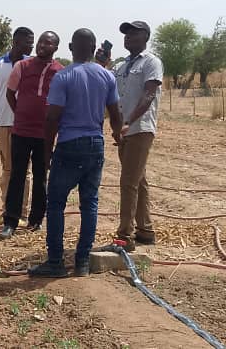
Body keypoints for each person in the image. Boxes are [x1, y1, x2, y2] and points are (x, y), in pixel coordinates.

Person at [29, 28, 123, 278]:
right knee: (89, 203)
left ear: (70, 48)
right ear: (93, 49)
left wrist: (47, 153)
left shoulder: (63, 77)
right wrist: (118, 135)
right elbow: (115, 114)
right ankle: (82, 262)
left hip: (70, 145)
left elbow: (52, 118)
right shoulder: (107, 76)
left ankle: (56, 262)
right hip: (95, 143)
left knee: (56, 203)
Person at [0, 31, 63, 239]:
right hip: (21, 131)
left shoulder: (60, 72)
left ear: (55, 48)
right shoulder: (22, 66)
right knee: (17, 176)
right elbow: (10, 93)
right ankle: (10, 221)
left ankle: (36, 220)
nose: (42, 45)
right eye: (41, 42)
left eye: (48, 43)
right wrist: (19, 112)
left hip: (45, 134)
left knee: (41, 177)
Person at [112, 21, 163, 249]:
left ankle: (125, 236)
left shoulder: (151, 62)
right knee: (138, 180)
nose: (128, 36)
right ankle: (145, 230)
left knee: (128, 182)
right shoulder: (121, 66)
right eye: (126, 33)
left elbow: (148, 95)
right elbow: (108, 87)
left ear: (146, 37)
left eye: (134, 33)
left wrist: (128, 122)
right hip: (124, 130)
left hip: (139, 128)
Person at [0, 27, 34, 227]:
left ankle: (22, 213)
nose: (31, 46)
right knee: (7, 169)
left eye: (32, 43)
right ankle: (7, 211)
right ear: (16, 42)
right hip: (5, 123)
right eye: (28, 43)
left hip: (26, 125)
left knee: (24, 170)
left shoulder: (31, 64)